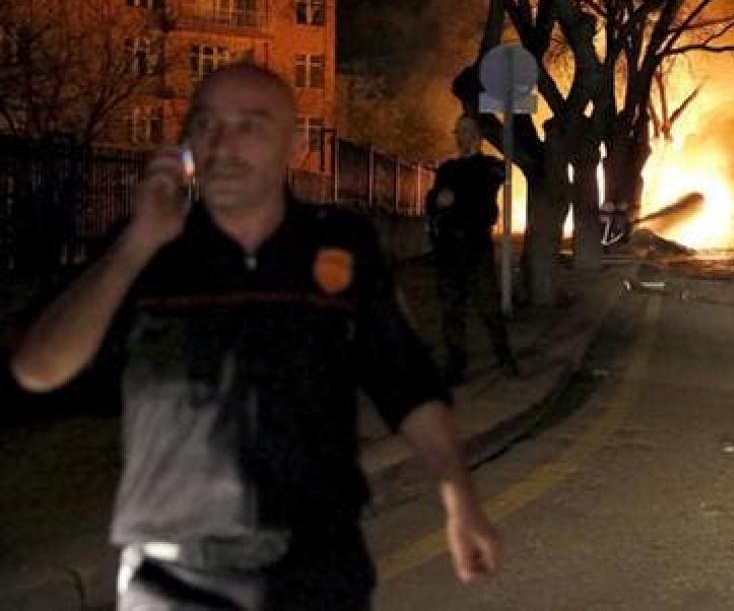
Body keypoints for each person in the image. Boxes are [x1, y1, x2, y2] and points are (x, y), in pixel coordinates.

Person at [9, 65, 500, 610]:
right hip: (175, 580)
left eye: (250, 126)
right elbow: (38, 368)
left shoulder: (340, 244)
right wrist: (136, 244)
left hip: (318, 572)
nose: (223, 146)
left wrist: (460, 497)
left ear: (293, 145)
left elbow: (405, 379)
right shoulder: (148, 251)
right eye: (206, 125)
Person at [426, 116, 518, 383]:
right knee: (452, 309)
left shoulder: (489, 166)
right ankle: (456, 365)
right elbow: (432, 201)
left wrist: (454, 200)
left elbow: (485, 197)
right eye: (459, 131)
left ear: (478, 136)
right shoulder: (447, 169)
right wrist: (437, 202)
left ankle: (504, 357)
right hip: (449, 249)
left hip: (476, 247)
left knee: (488, 306)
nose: (461, 136)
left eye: (467, 131)